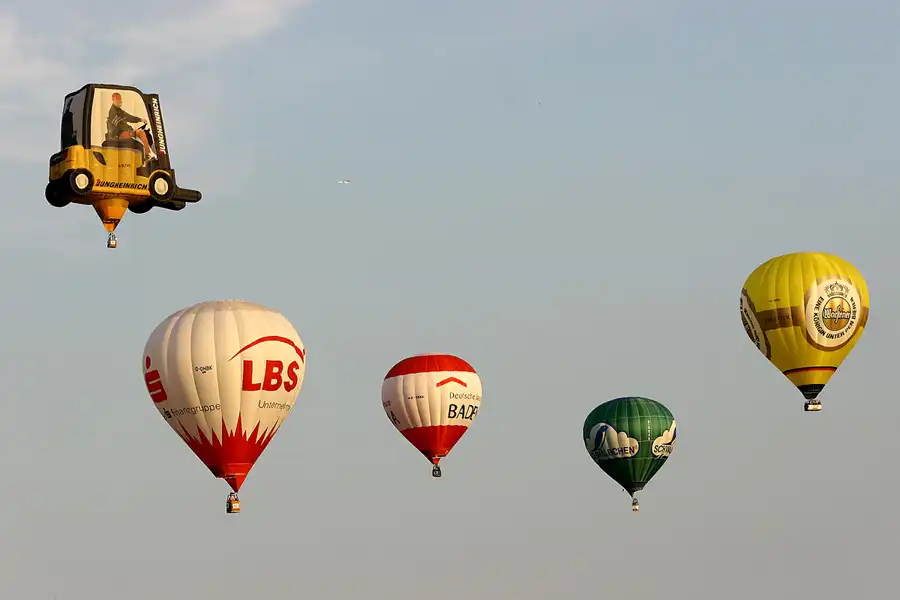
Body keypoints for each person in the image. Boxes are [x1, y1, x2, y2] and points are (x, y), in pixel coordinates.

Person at [106, 92, 156, 162]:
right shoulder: (113, 112)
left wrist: (140, 119)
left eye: (120, 101)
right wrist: (131, 131)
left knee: (141, 133)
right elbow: (120, 126)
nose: (120, 102)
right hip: (119, 135)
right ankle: (146, 154)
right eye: (118, 101)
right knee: (139, 134)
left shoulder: (119, 111)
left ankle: (147, 153)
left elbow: (129, 117)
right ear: (114, 101)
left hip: (125, 132)